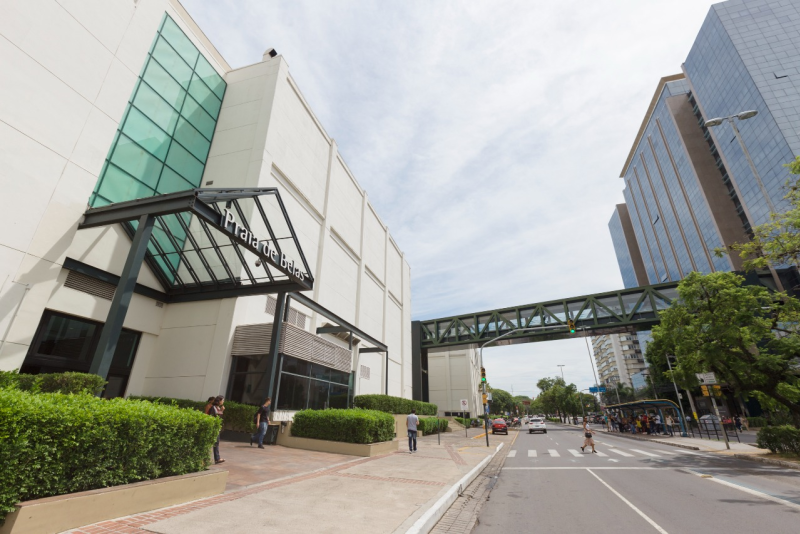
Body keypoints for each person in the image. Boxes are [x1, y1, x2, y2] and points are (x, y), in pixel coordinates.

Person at [209, 395, 225, 464]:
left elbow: (219, 417)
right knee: (212, 442)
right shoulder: (213, 408)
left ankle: (217, 458)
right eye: (222, 400)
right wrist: (221, 411)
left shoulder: (217, 408)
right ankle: (215, 458)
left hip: (217, 427)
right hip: (213, 427)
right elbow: (214, 417)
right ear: (219, 401)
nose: (223, 402)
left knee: (216, 442)